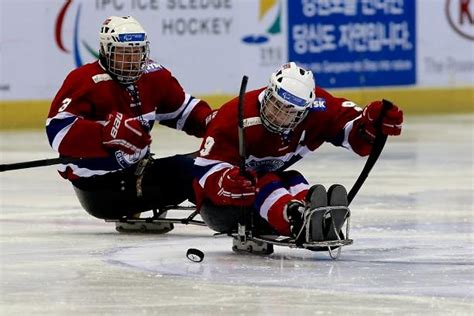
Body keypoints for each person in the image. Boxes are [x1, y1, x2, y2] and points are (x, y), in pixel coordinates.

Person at [193, 62, 403, 242]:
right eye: (276, 105)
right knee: (263, 182)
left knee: (293, 179)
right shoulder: (233, 115)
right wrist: (225, 181)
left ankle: (311, 216)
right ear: (268, 93)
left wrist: (370, 126)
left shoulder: (318, 109)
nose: (278, 116)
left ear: (305, 110)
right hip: (220, 207)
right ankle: (294, 219)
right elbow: (203, 169)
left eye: (290, 112)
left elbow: (352, 131)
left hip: (257, 198)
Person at [46, 16, 213, 223]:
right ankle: (234, 216)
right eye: (123, 53)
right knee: (193, 170)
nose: (132, 61)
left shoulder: (153, 76)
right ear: (106, 51)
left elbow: (184, 111)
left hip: (136, 172)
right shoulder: (85, 80)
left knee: (213, 159)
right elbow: (57, 131)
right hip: (100, 189)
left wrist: (213, 122)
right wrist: (104, 134)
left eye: (137, 52)